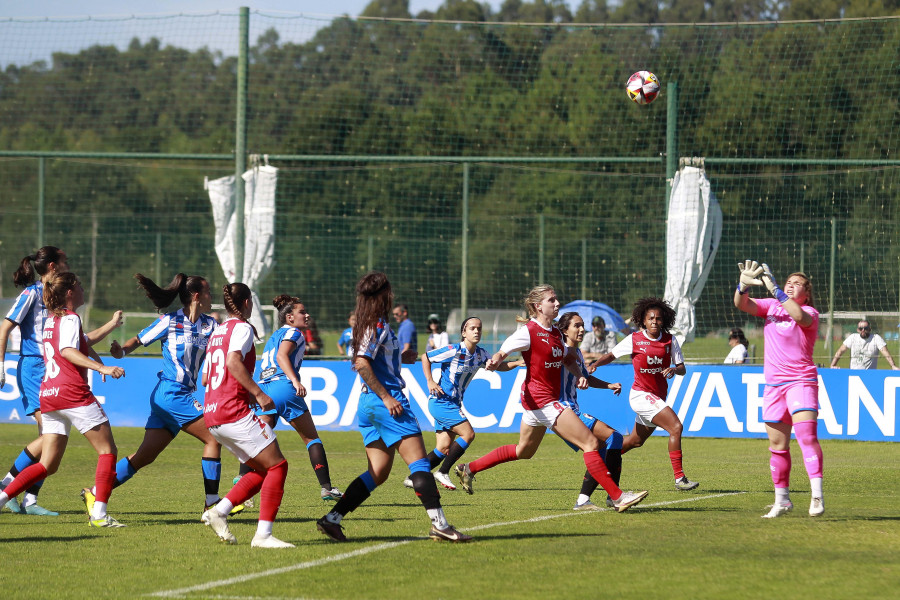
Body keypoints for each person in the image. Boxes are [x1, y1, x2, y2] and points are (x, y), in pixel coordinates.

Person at [454, 284, 648, 513]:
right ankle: (615, 497)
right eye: (552, 300)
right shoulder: (529, 331)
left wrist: (579, 376)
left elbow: (567, 360)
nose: (557, 304)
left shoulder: (555, 333)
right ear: (538, 306)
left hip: (535, 403)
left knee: (523, 451)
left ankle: (470, 468)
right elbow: (503, 350)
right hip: (542, 400)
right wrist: (495, 360)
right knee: (591, 443)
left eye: (556, 300)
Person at [316, 271, 471, 543]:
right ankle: (440, 525)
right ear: (383, 295)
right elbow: (361, 363)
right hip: (386, 403)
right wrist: (388, 398)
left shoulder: (373, 324)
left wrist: (402, 357)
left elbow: (374, 359)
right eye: (390, 290)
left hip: (369, 405)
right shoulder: (374, 325)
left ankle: (332, 519)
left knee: (377, 473)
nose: (393, 295)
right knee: (420, 465)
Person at [80, 273, 238, 517]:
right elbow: (136, 341)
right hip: (171, 393)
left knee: (144, 457)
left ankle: (95, 492)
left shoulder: (211, 325)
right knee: (213, 438)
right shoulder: (170, 321)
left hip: (177, 395)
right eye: (208, 293)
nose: (210, 297)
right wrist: (120, 351)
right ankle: (212, 503)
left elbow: (226, 346)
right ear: (197, 296)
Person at [0, 246, 121, 516]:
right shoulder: (41, 299)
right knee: (99, 448)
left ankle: (13, 493)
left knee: (50, 455)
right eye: (65, 262)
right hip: (47, 375)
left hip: (51, 378)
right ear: (54, 268)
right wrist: (1, 364)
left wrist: (101, 356)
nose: (69, 267)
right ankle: (13, 489)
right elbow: (68, 348)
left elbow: (78, 341)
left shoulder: (56, 314)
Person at [201, 283, 293, 548]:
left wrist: (246, 392)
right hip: (233, 411)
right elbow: (232, 362)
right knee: (278, 466)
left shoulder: (218, 332)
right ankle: (263, 535)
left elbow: (207, 377)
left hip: (213, 413)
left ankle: (218, 511)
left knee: (262, 469)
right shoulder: (242, 328)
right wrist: (260, 395)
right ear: (245, 303)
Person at [734, 260, 825, 518]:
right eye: (788, 282)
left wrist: (778, 291)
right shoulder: (772, 306)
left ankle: (816, 496)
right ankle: (782, 501)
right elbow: (742, 304)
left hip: (801, 381)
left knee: (807, 437)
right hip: (774, 385)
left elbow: (799, 316)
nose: (791, 285)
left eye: (798, 284)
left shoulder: (810, 312)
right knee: (777, 444)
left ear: (806, 294)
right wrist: (742, 284)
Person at [233, 294, 342, 502]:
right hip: (284, 387)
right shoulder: (295, 332)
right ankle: (326, 488)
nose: (307, 315)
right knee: (311, 439)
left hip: (265, 388)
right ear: (290, 317)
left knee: (256, 438)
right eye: (302, 312)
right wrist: (295, 381)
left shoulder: (275, 335)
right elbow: (282, 357)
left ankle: (242, 478)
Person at [589, 297, 699, 491]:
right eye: (650, 318)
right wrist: (595, 365)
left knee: (635, 441)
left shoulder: (669, 340)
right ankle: (680, 479)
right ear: (643, 320)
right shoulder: (635, 339)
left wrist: (674, 369)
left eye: (658, 318)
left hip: (657, 397)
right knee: (675, 427)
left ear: (663, 320)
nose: (654, 322)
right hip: (640, 395)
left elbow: (682, 368)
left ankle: (601, 463)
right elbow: (611, 355)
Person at [407, 316, 519, 491]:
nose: (476, 331)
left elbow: (499, 366)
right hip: (441, 402)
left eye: (479, 328)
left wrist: (519, 362)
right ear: (463, 332)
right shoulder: (453, 350)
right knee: (468, 434)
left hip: (453, 403)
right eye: (472, 328)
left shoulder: (481, 354)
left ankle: (414, 477)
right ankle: (443, 472)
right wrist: (430, 381)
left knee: (443, 448)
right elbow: (425, 357)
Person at [556, 311, 626, 511]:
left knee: (602, 446)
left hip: (571, 409)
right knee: (614, 438)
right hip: (562, 410)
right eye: (576, 326)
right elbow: (572, 370)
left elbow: (585, 376)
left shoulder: (577, 352)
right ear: (564, 330)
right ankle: (615, 497)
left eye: (582, 325)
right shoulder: (561, 351)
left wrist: (609, 385)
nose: (581, 329)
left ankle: (583, 500)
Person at [830, 320, 899, 370]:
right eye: (860, 328)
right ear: (858, 330)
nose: (863, 330)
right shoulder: (853, 337)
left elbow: (886, 353)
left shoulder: (876, 338)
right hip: (853, 373)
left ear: (869, 329)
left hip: (869, 374)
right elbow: (840, 351)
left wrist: (893, 366)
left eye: (865, 328)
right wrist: (833, 365)